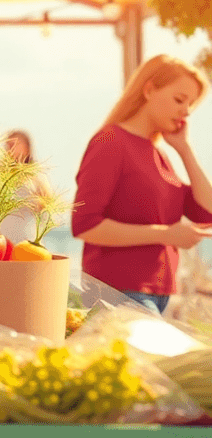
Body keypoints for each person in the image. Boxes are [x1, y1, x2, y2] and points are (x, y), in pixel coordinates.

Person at [72, 55, 212, 315]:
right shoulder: (111, 142)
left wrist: (185, 150)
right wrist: (164, 234)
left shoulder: (160, 156)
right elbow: (85, 225)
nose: (187, 111)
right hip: (118, 292)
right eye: (180, 100)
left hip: (158, 294)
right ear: (149, 90)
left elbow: (208, 212)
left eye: (191, 104)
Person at [0, 130, 52, 245]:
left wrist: (31, 202)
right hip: (0, 239)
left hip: (26, 237)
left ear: (26, 148)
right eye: (8, 145)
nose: (9, 149)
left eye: (14, 144)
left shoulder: (37, 174)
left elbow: (48, 202)